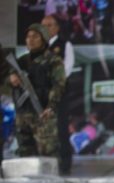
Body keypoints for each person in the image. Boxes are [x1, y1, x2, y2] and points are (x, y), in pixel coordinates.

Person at [5, 24, 66, 164]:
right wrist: (12, 79)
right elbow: (7, 82)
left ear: (44, 39)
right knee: (25, 154)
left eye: (35, 36)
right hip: (23, 114)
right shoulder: (21, 61)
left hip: (43, 113)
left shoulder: (53, 60)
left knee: (48, 155)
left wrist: (51, 106)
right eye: (28, 36)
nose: (30, 40)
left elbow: (59, 86)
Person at [42, 14, 74, 175]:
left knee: (61, 129)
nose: (46, 28)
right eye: (43, 25)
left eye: (49, 25)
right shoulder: (36, 45)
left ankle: (65, 164)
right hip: (40, 95)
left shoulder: (64, 45)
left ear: (57, 27)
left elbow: (67, 68)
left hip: (58, 94)